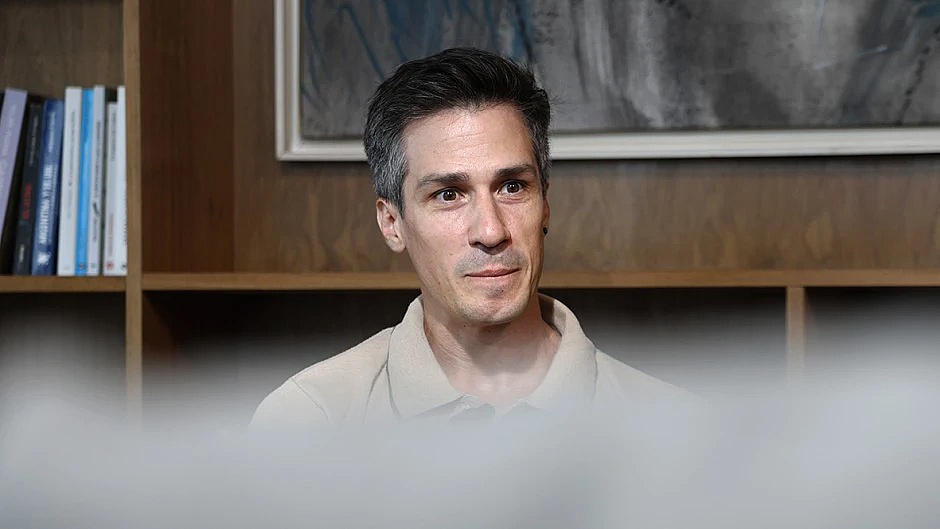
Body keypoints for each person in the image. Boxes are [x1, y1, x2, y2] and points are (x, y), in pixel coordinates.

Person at [251, 47, 685, 428]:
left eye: (512, 187)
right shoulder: (310, 420)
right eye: (448, 195)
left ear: (545, 205)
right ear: (392, 223)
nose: (491, 232)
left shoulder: (673, 423)